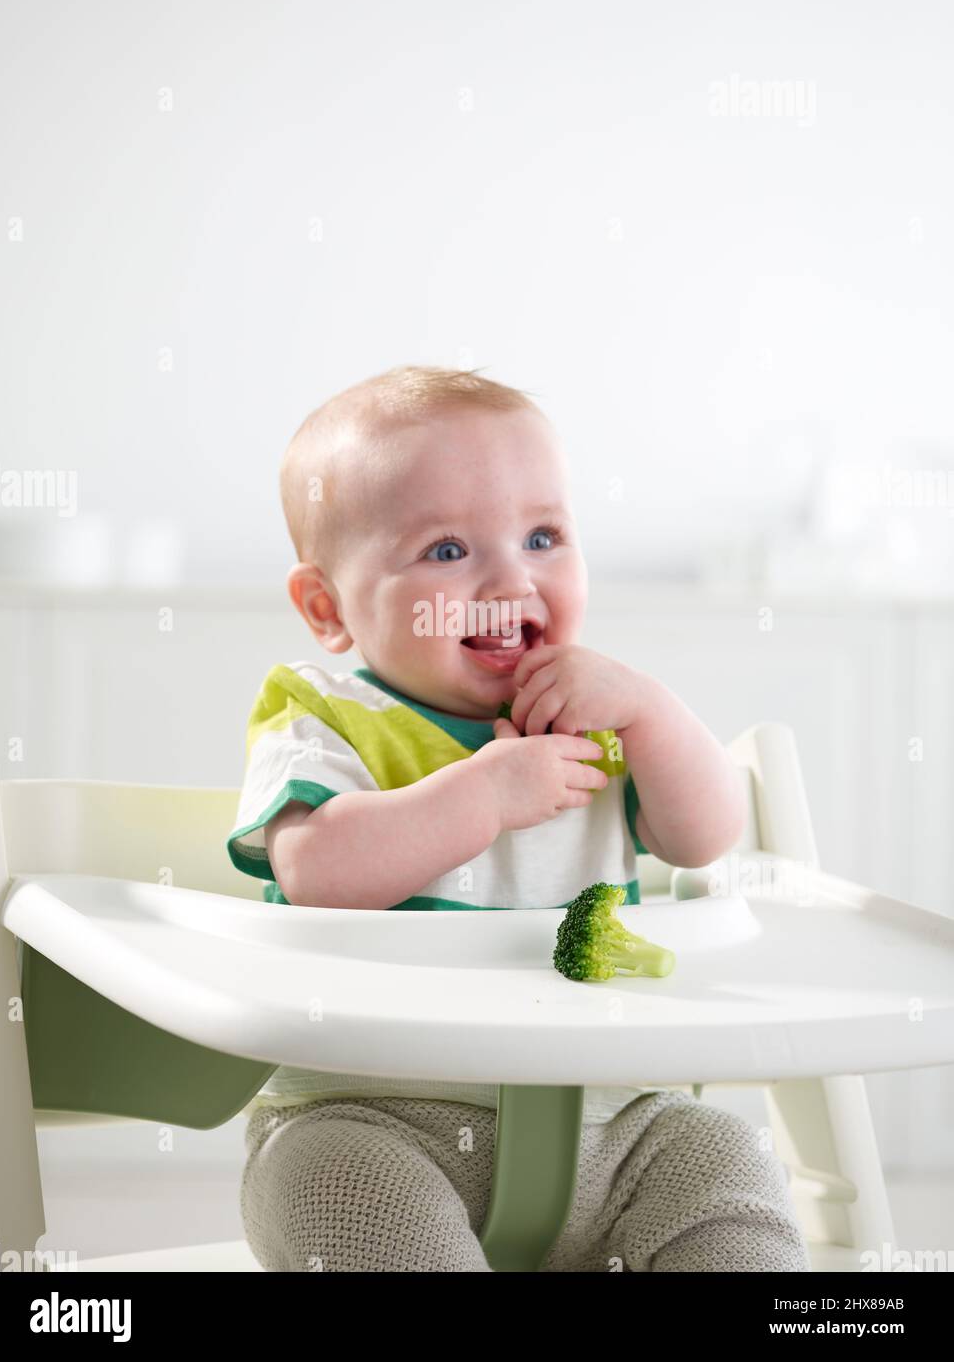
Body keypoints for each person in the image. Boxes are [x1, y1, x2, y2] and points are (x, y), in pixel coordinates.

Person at [226, 364, 810, 1272]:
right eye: (449, 551)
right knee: (334, 1187)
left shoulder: (599, 713)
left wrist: (651, 714)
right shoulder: (322, 719)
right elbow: (317, 868)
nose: (512, 577)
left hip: (612, 1127)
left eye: (543, 535)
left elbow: (706, 835)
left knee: (722, 1158)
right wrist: (485, 796)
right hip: (370, 1119)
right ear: (328, 607)